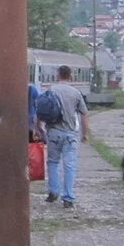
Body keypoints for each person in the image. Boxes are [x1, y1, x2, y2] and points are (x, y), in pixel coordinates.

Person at [41, 65, 89, 208]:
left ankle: (53, 191)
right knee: (69, 165)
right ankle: (68, 197)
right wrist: (84, 134)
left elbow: (41, 109)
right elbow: (84, 115)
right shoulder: (76, 93)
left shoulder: (50, 90)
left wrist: (38, 128)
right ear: (71, 76)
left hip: (53, 132)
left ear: (58, 75)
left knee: (52, 162)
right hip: (69, 133)